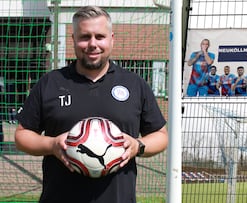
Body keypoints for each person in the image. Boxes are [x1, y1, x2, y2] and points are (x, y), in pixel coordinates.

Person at [14, 6, 168, 203]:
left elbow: (161, 135)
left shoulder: (134, 84)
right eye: (85, 37)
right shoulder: (51, 83)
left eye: (100, 36)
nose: (92, 44)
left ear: (112, 39)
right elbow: (21, 135)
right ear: (73, 40)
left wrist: (138, 145)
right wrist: (51, 144)